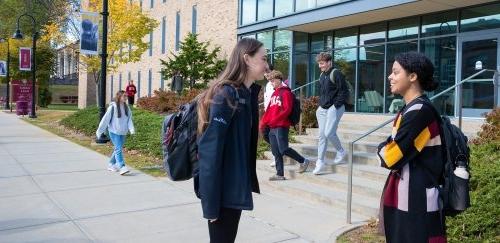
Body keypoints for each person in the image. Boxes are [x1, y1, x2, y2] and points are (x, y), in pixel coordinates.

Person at [196, 38, 265, 243]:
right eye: (263, 58)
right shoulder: (226, 95)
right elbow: (209, 152)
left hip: (233, 189)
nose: (267, 65)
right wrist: (210, 205)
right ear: (247, 59)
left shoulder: (245, 94)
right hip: (222, 194)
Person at [378, 52, 446, 242]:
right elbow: (393, 148)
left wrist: (382, 149)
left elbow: (390, 157)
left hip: (416, 202)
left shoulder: (419, 112)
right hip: (409, 197)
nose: (390, 77)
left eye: (395, 72)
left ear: (413, 76)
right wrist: (387, 146)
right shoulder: (412, 108)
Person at [259, 70, 310, 180]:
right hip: (272, 126)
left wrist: (275, 120)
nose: (271, 83)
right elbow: (269, 111)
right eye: (270, 81)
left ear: (279, 79)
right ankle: (279, 174)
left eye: (273, 81)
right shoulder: (274, 93)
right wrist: (263, 122)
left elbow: (287, 109)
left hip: (281, 125)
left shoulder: (286, 93)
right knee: (275, 151)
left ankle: (303, 161)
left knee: (283, 149)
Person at [313, 52, 349, 175]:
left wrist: (335, 106)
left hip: (335, 107)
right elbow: (322, 93)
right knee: (322, 136)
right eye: (319, 63)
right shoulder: (322, 75)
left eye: (322, 63)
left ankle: (341, 151)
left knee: (329, 133)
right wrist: (320, 106)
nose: (320, 66)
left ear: (329, 62)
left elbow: (344, 92)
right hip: (323, 109)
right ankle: (320, 162)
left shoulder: (336, 73)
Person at [96, 90, 135, 175]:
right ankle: (122, 166)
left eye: (126, 96)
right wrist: (99, 131)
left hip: (123, 132)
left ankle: (111, 164)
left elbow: (129, 120)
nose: (126, 98)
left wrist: (132, 130)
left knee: (118, 148)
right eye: (124, 96)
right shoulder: (112, 107)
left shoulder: (126, 107)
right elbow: (105, 120)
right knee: (118, 149)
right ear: (119, 97)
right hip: (114, 131)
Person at [263, 64, 277, 167]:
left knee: (272, 136)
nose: (266, 74)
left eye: (268, 72)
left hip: (275, 115)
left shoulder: (278, 84)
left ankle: (276, 157)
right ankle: (277, 153)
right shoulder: (268, 85)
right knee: (265, 134)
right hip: (267, 114)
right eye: (264, 72)